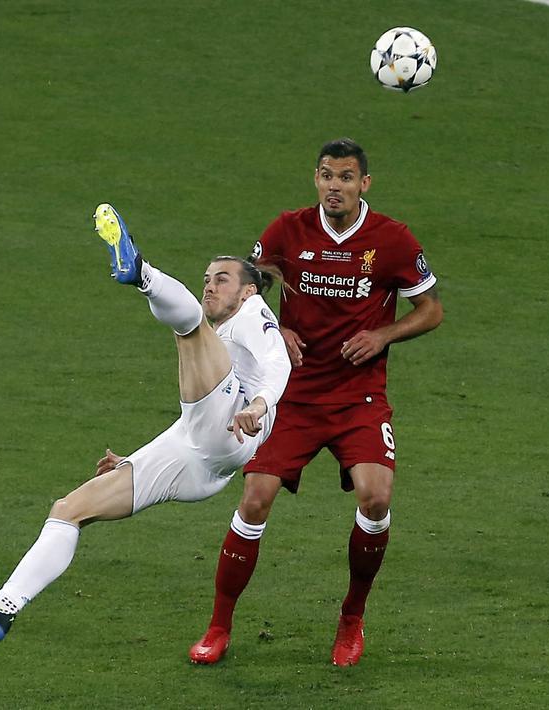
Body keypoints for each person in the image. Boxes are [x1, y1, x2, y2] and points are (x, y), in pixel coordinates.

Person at [0, 204, 291, 643]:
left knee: (191, 328)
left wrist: (259, 405)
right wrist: (134, 461)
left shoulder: (254, 316)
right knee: (68, 510)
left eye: (222, 279)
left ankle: (139, 271)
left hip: (234, 428)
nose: (210, 286)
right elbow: (188, 428)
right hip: (199, 456)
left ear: (249, 291)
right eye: (206, 279)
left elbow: (279, 363)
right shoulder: (222, 338)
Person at [188, 138, 444, 666]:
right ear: (316, 178)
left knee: (376, 499)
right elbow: (249, 288)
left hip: (359, 396)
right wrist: (276, 326)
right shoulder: (287, 230)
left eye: (346, 177)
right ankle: (218, 626)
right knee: (255, 499)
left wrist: (384, 335)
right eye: (327, 175)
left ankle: (352, 618)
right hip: (291, 393)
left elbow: (431, 309)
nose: (335, 186)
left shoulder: (391, 240)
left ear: (364, 184)